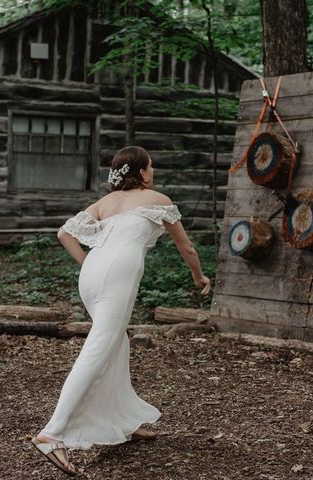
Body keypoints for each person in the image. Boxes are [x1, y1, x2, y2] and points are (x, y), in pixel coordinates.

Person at [32, 146, 211, 475]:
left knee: (117, 344)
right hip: (118, 275)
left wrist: (91, 265)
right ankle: (52, 433)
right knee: (99, 348)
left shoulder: (105, 203)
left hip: (91, 275)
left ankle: (124, 422)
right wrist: (199, 276)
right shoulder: (157, 200)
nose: (153, 172)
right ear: (142, 173)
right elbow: (186, 246)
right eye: (151, 167)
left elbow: (64, 233)